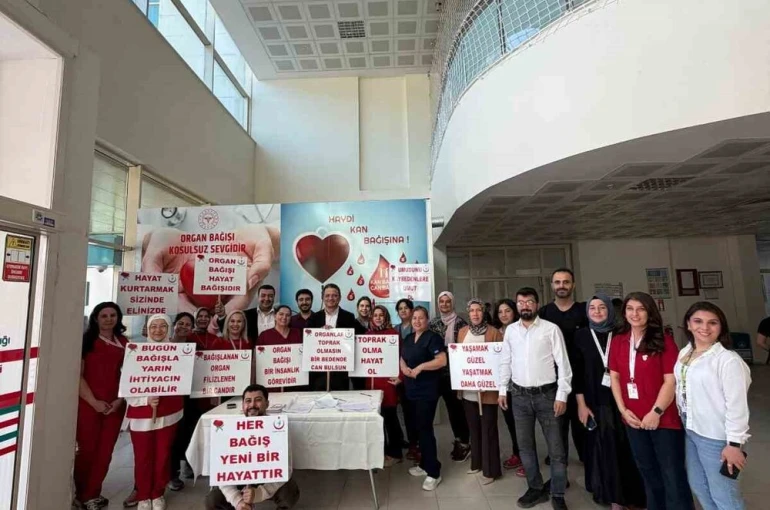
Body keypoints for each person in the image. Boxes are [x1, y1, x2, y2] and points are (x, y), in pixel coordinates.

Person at [609, 292, 693, 510]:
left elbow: (670, 381)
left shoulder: (664, 341)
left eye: (641, 309)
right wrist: (623, 410)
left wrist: (655, 412)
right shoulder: (618, 341)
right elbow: (615, 377)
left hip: (663, 419)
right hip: (633, 419)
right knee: (647, 470)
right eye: (630, 309)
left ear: (650, 312)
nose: (634, 314)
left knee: (671, 472)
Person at [498, 287, 572, 510]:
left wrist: (562, 394)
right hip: (519, 396)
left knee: (556, 448)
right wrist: (503, 389)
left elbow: (564, 364)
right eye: (520, 302)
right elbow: (505, 361)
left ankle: (558, 493)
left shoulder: (551, 329)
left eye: (529, 302)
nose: (525, 306)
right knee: (525, 446)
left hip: (547, 396)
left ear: (537, 304)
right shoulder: (511, 330)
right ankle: (535, 488)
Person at [676, 302, 751, 510]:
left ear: (721, 327)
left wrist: (734, 444)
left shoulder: (728, 360)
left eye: (713, 323)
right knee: (699, 486)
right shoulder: (686, 351)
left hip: (716, 436)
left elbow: (737, 406)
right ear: (688, 325)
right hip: (691, 428)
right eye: (698, 321)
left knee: (724, 494)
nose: (705, 328)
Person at [573, 295, 645, 509]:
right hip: (595, 402)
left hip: (623, 401)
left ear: (611, 311)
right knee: (604, 450)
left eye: (601, 307)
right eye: (592, 307)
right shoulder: (581, 336)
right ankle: (612, 497)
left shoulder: (623, 334)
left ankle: (632, 495)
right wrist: (581, 404)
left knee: (627, 449)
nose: (596, 311)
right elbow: (576, 373)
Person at [205, 384, 300, 510]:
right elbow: (221, 472)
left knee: (289, 493)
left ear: (267, 403)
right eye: (248, 401)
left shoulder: (278, 428)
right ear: (243, 405)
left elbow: (285, 469)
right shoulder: (229, 429)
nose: (252, 405)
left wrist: (260, 493)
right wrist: (237, 500)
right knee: (212, 501)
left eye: (258, 400)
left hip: (268, 478)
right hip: (237, 480)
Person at [127, 314, 185, 510]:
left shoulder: (178, 353)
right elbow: (126, 385)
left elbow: (182, 380)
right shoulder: (135, 352)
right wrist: (144, 399)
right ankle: (144, 495)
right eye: (154, 326)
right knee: (142, 457)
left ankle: (158, 493)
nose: (158, 330)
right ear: (148, 329)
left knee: (163, 455)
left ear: (169, 329)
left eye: (162, 326)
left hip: (169, 412)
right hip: (141, 414)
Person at [74, 303, 129, 510]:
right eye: (104, 315)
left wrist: (120, 400)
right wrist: (94, 402)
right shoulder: (86, 342)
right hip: (88, 404)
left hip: (115, 405)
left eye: (113, 315)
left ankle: (92, 494)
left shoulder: (124, 342)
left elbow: (129, 376)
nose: (108, 319)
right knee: (86, 452)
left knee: (105, 453)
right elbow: (77, 376)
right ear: (96, 318)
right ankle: (80, 493)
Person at [539, 268, 587, 465]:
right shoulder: (544, 313)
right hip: (553, 380)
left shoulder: (584, 311)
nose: (561, 286)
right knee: (557, 426)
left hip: (581, 378)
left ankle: (589, 463)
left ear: (573, 285)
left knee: (582, 426)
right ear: (552, 286)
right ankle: (559, 463)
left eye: (566, 282)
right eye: (557, 282)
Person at [458, 299, 503, 485]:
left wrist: (491, 379)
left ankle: (491, 470)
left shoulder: (493, 333)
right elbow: (459, 359)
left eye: (479, 310)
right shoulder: (462, 332)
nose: (475, 314)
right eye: (472, 311)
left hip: (488, 392)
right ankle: (476, 463)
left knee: (488, 429)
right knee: (474, 429)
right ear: (468, 313)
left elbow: (501, 361)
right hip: (468, 391)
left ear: (484, 312)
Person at [402, 306, 447, 491]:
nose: (417, 321)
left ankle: (434, 472)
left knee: (425, 429)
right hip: (410, 388)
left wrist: (420, 367)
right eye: (414, 318)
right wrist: (403, 368)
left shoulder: (433, 338)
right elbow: (402, 357)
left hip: (427, 390)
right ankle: (424, 464)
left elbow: (442, 360)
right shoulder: (408, 338)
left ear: (427, 320)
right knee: (416, 429)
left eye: (421, 318)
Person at [428, 291, 471, 462]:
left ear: (452, 304)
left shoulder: (461, 323)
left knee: (456, 411)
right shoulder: (433, 323)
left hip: (454, 375)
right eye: (441, 302)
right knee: (428, 409)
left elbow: (465, 348)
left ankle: (463, 443)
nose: (444, 305)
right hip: (434, 374)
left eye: (447, 302)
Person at [306, 283, 367, 390]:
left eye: (334, 295)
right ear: (322, 298)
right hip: (319, 370)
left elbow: (361, 337)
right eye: (327, 295)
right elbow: (307, 340)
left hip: (341, 370)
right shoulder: (314, 318)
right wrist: (319, 333)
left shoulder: (349, 316)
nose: (331, 298)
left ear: (339, 298)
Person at [365, 305, 404, 467]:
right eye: (376, 315)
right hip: (370, 384)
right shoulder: (366, 335)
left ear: (386, 317)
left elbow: (402, 358)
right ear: (371, 317)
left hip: (388, 384)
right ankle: (380, 452)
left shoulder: (393, 335)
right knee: (376, 420)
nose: (378, 318)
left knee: (390, 419)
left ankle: (395, 453)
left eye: (382, 315)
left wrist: (400, 377)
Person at [494, 298, 523, 475]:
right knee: (511, 423)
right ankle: (517, 453)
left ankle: (527, 459)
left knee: (523, 424)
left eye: (507, 311)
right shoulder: (495, 333)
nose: (504, 315)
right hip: (504, 386)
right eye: (500, 312)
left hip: (522, 384)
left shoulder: (522, 330)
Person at [168, 313, 197, 491]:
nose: (184, 327)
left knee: (185, 434)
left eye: (188, 324)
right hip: (168, 398)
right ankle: (172, 474)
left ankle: (184, 465)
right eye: (181, 323)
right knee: (171, 437)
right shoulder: (164, 345)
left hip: (189, 396)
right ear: (174, 325)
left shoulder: (194, 347)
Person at [395, 298, 418, 460]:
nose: (403, 311)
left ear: (412, 311)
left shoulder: (417, 328)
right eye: (400, 308)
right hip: (399, 376)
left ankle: (418, 444)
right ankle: (411, 443)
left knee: (416, 412)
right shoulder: (394, 329)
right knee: (406, 412)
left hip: (415, 375)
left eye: (406, 308)